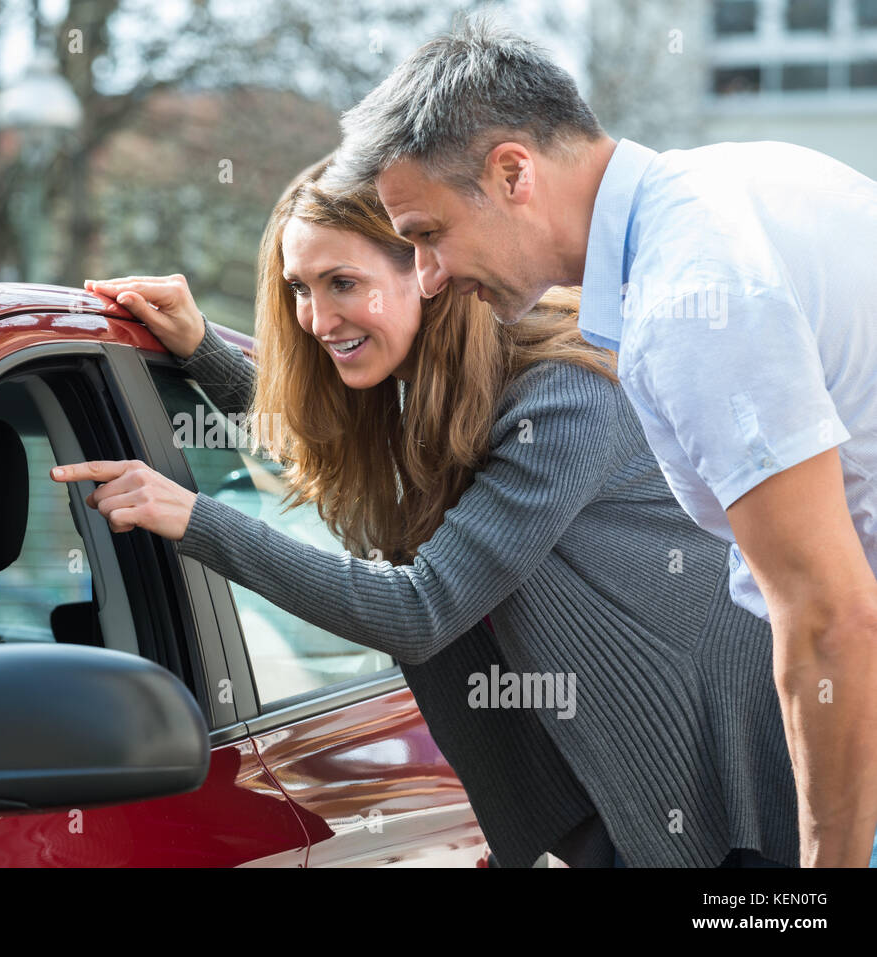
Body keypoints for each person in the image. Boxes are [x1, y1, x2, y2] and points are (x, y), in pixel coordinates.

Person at [50, 156, 799, 867]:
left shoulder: (563, 400)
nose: (315, 318)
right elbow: (334, 458)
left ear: (427, 272)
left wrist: (195, 518)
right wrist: (201, 352)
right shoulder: (434, 400)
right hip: (621, 793)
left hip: (730, 795)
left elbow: (421, 609)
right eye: (299, 289)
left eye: (342, 282)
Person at [322, 12, 877, 868]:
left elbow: (829, 615)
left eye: (429, 235)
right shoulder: (725, 192)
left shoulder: (694, 295)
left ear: (512, 171)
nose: (428, 277)